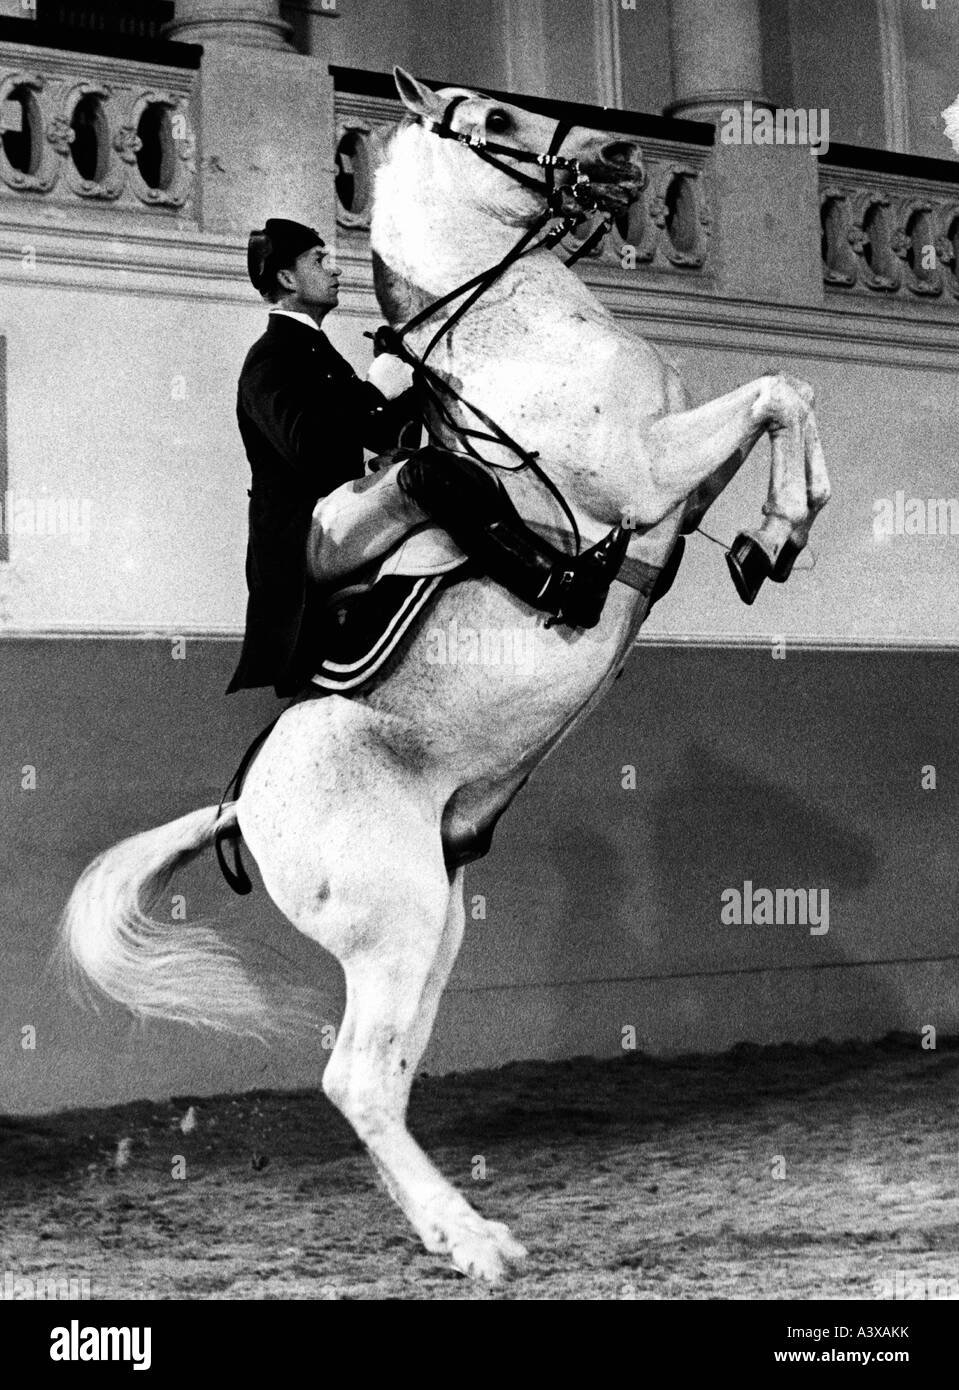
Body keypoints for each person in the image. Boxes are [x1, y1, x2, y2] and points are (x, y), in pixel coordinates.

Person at [227, 217, 629, 699]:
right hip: (303, 534)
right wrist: (377, 388)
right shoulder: (271, 356)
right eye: (319, 259)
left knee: (452, 467)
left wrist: (425, 381)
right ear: (287, 279)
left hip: (337, 513)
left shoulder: (316, 350)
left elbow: (382, 429)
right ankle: (558, 588)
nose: (335, 268)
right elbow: (308, 450)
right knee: (427, 476)